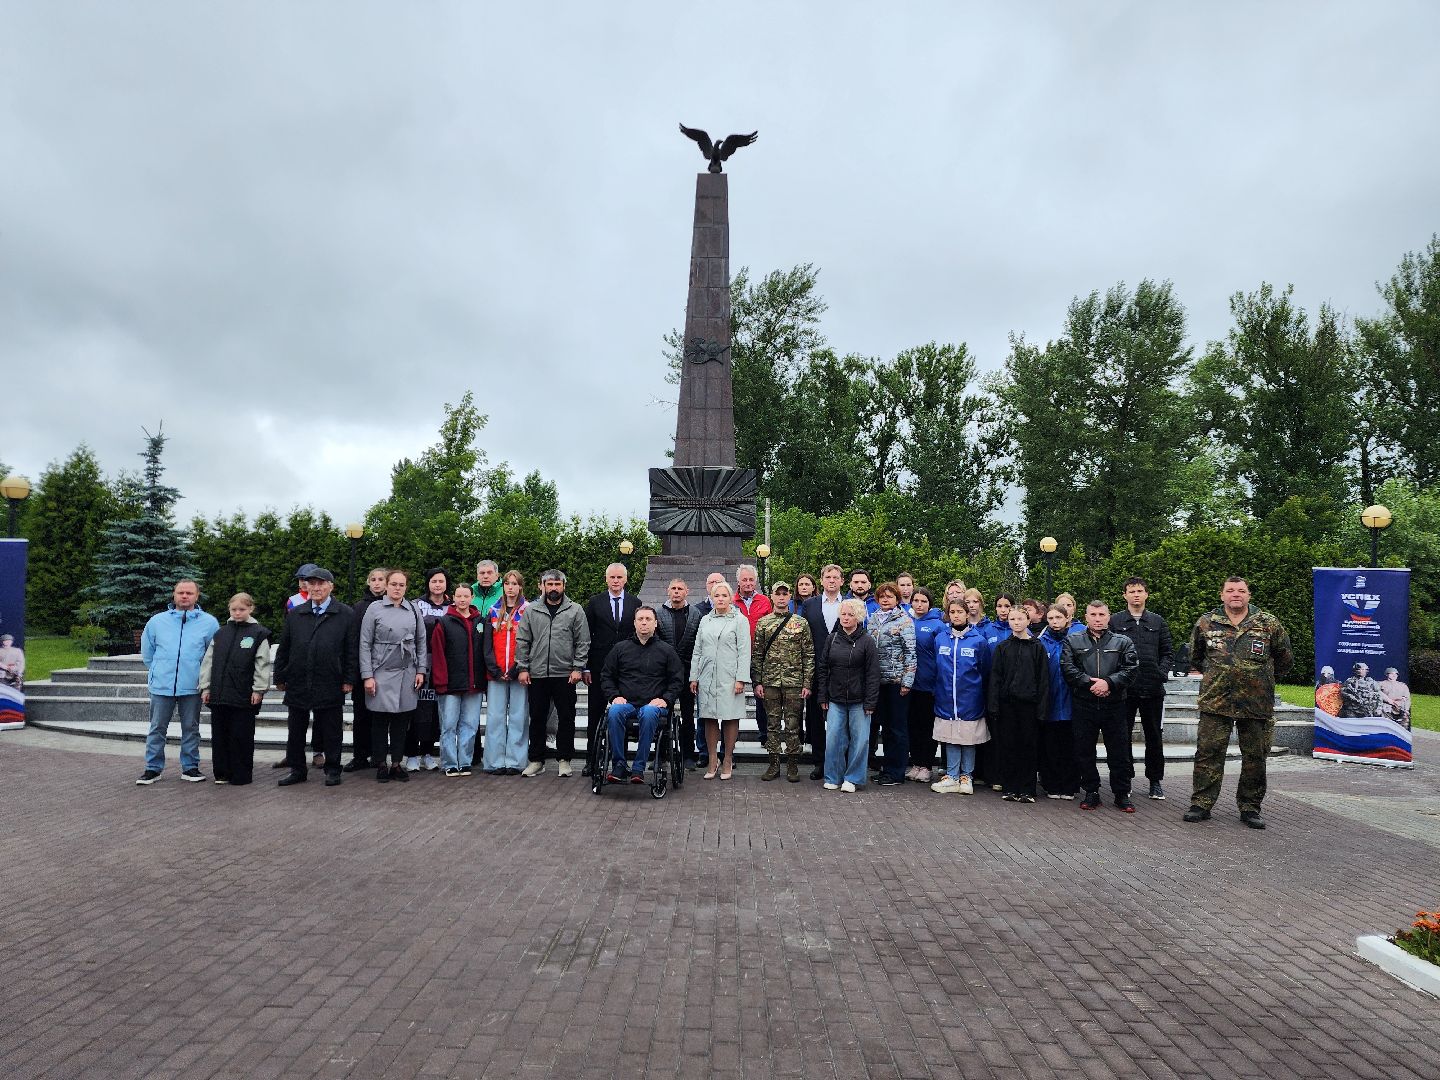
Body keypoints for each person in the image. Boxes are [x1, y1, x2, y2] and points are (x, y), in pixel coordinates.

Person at [1184, 578, 1294, 829]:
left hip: (1255, 703)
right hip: (1216, 700)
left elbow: (1285, 659)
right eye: (1230, 591)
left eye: (1241, 591)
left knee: (1255, 756)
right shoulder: (1206, 622)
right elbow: (1196, 656)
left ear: (1249, 595)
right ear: (1222, 595)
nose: (1236, 595)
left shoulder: (1268, 623)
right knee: (1208, 754)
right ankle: (1201, 804)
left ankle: (1250, 807)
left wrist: (1257, 679)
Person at [274, 568, 357, 788]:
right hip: (299, 679)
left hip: (330, 678)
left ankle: (332, 769)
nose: (316, 588)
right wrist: (280, 676)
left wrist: (349, 678)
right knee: (296, 730)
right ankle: (297, 769)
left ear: (331, 586)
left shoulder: (345, 614)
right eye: (312, 584)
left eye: (321, 584)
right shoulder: (296, 614)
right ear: (306, 586)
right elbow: (285, 647)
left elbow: (351, 650)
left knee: (331, 729)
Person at [136, 579, 220, 786]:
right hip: (162, 685)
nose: (184, 596)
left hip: (192, 686)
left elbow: (212, 653)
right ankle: (153, 768)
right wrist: (159, 670)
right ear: (174, 595)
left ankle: (190, 767)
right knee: (157, 727)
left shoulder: (209, 623)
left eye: (189, 593)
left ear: (197, 596)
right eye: (181, 592)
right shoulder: (156, 622)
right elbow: (148, 653)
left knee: (191, 727)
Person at [1061, 601, 1140, 812]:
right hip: (1084, 703)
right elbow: (1068, 669)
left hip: (1114, 704)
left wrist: (1109, 683)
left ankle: (1122, 793)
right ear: (1086, 617)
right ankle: (1091, 791)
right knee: (1084, 750)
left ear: (1108, 616)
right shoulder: (1072, 641)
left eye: (1101, 614)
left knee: (1119, 751)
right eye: (1093, 614)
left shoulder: (1123, 642)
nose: (1097, 618)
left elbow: (1131, 669)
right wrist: (1091, 683)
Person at [517, 570, 590, 777]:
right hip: (537, 673)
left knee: (567, 718)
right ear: (542, 586)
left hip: (565, 674)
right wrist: (522, 667)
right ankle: (536, 760)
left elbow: (583, 641)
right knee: (537, 717)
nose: (554, 588)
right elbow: (523, 640)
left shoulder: (575, 610)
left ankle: (565, 759)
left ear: (563, 586)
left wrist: (578, 667)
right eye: (549, 584)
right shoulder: (531, 610)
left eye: (557, 584)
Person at [1108, 577, 1175, 800]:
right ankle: (1125, 779)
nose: (1136, 595)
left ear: (1146, 594)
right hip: (1124, 690)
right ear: (1124, 595)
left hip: (1152, 689)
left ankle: (1155, 781)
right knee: (1122, 736)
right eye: (1131, 591)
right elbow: (1108, 650)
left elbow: (1167, 652)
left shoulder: (1158, 621)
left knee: (1154, 736)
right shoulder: (1115, 621)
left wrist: (1160, 672)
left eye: (1140, 591)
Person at [600, 605, 684, 782]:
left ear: (655, 624)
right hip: (627, 704)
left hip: (653, 706)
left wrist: (665, 699)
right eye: (640, 619)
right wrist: (614, 696)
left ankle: (638, 768)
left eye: (648, 619)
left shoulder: (667, 651)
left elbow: (677, 680)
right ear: (634, 623)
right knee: (614, 711)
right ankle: (619, 765)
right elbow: (606, 676)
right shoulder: (620, 649)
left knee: (649, 712)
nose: (644, 623)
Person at [360, 569, 428, 784]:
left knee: (402, 720)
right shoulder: (374, 609)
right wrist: (367, 675)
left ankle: (397, 763)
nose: (397, 588)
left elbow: (421, 642)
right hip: (381, 670)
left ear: (406, 587)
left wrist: (420, 670)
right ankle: (381, 763)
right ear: (386, 586)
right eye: (394, 584)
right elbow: (364, 643)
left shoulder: (414, 609)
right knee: (380, 720)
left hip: (407, 671)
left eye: (401, 585)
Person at [197, 592, 270, 786]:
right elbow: (208, 661)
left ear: (250, 609)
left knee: (241, 736)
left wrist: (259, 689)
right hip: (220, 694)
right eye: (234, 609)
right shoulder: (221, 633)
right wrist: (205, 687)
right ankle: (222, 773)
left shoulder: (259, 633)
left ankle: (241, 774)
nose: (237, 613)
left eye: (242, 609)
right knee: (220, 736)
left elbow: (262, 663)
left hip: (243, 695)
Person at [751, 581, 814, 782]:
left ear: (789, 597)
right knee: (772, 725)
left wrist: (807, 683)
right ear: (772, 596)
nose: (781, 597)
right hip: (770, 682)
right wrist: (757, 682)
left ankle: (793, 765)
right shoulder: (763, 623)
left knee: (793, 725)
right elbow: (757, 655)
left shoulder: (800, 623)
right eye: (777, 594)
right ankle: (774, 764)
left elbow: (809, 654)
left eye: (784, 594)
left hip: (794, 682)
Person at [987, 606, 1050, 802]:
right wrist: (994, 705)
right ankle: (1010, 787)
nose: (1016, 622)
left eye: (1020, 618)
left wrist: (1042, 709)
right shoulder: (1002, 647)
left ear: (1028, 620)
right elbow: (995, 679)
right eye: (1012, 619)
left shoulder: (1037, 647)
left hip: (1029, 706)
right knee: (1009, 746)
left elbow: (1043, 680)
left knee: (1028, 746)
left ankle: (1027, 789)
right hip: (1007, 705)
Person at [582, 563, 640, 776]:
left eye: (619, 577)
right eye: (612, 577)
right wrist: (585, 667)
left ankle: (620, 762)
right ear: (606, 579)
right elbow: (586, 636)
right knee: (594, 716)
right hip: (598, 668)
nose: (615, 581)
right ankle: (591, 760)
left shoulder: (636, 603)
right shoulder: (595, 603)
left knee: (621, 715)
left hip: (625, 671)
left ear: (625, 579)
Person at [929, 600, 992, 794]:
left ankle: (967, 776)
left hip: (970, 699)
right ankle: (952, 776)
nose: (956, 615)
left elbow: (985, 670)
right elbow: (935, 667)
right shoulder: (940, 638)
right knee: (951, 737)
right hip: (946, 698)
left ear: (967, 614)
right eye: (952, 612)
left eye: (960, 612)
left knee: (968, 737)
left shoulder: (978, 640)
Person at [690, 581, 751, 780]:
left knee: (730, 717)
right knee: (708, 717)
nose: (721, 599)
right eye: (717, 596)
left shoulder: (739, 620)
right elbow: (697, 650)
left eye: (725, 595)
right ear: (712, 598)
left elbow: (744, 651)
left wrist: (741, 678)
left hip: (730, 677)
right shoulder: (705, 620)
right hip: (707, 676)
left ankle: (727, 759)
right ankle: (712, 759)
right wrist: (694, 676)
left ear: (731, 597)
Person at [818, 599, 880, 792]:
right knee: (834, 739)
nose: (845, 618)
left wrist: (870, 701)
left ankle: (852, 778)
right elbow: (823, 668)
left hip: (860, 701)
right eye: (843, 614)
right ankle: (833, 777)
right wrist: (822, 696)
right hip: (835, 699)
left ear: (859, 617)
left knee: (860, 741)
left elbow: (873, 673)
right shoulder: (832, 638)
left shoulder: (867, 641)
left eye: (850, 614)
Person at [431, 583, 486, 777]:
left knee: (470, 725)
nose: (462, 600)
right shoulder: (444, 623)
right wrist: (440, 682)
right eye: (459, 596)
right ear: (452, 598)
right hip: (450, 685)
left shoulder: (480, 621)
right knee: (448, 726)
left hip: (474, 684)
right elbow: (438, 654)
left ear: (472, 598)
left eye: (466, 596)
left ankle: (465, 761)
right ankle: (449, 762)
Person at [866, 582, 916, 786]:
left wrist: (907, 682)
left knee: (897, 728)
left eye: (890, 596)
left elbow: (911, 653)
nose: (885, 600)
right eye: (882, 596)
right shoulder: (873, 619)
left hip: (897, 682)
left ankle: (897, 772)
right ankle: (887, 768)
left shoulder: (904, 621)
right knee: (885, 728)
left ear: (897, 599)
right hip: (878, 682)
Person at [800, 564, 846, 780]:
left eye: (836, 577)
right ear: (821, 580)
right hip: (816, 669)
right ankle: (819, 762)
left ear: (842, 581)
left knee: (841, 718)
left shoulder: (849, 605)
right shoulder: (809, 605)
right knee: (816, 719)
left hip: (843, 670)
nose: (831, 580)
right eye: (828, 577)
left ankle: (840, 761)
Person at [481, 571, 528, 774]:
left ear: (520, 587)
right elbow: (486, 645)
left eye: (514, 584)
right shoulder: (493, 611)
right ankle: (494, 762)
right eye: (507, 583)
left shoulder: (528, 611)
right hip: (496, 673)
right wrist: (494, 668)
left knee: (518, 717)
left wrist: (518, 667)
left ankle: (515, 762)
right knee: (495, 717)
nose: (510, 587)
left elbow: (530, 643)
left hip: (519, 672)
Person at [343, 567, 390, 773]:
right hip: (364, 670)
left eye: (381, 579)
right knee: (361, 714)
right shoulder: (359, 608)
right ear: (368, 582)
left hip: (388, 670)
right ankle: (360, 755)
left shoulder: (395, 605)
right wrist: (355, 673)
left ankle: (379, 756)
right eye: (373, 579)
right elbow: (354, 641)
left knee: (382, 717)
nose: (377, 583)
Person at [679, 571, 728, 762]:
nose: (714, 585)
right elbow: (696, 645)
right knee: (704, 713)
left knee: (726, 714)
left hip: (725, 670)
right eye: (711, 582)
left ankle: (725, 752)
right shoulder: (697, 611)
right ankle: (704, 752)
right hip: (705, 670)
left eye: (718, 582)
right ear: (706, 586)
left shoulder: (734, 613)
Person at [409, 568, 452, 772]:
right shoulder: (416, 605)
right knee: (416, 711)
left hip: (441, 666)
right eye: (433, 581)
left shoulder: (452, 606)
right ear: (428, 583)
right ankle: (411, 754)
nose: (437, 584)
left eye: (441, 581)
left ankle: (427, 753)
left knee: (434, 712)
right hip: (419, 665)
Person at [654, 577, 697, 769]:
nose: (677, 592)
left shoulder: (695, 615)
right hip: (665, 675)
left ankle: (688, 755)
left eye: (680, 588)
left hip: (688, 673)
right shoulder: (658, 614)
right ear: (668, 591)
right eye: (673, 588)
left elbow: (699, 645)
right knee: (662, 714)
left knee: (688, 715)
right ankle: (660, 755)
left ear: (687, 591)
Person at [1038, 605, 1078, 799]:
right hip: (1050, 702)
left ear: (1067, 619)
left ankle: (1069, 786)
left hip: (1071, 703)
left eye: (1058, 618)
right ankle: (1052, 784)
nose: (1055, 622)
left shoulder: (1075, 641)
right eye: (1051, 618)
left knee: (1070, 746)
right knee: (1050, 746)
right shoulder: (1041, 643)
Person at [905, 587, 943, 783]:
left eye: (924, 601)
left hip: (929, 685)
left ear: (930, 603)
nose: (919, 605)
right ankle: (916, 763)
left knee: (927, 726)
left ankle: (927, 765)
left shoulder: (938, 625)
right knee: (912, 725)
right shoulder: (906, 621)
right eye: (916, 601)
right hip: (910, 684)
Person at [734, 563, 772, 744]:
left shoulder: (764, 601)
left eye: (751, 579)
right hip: (736, 655)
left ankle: (764, 734)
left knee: (761, 695)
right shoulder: (731, 601)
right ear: (738, 582)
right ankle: (729, 739)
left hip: (760, 655)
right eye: (745, 580)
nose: (748, 583)